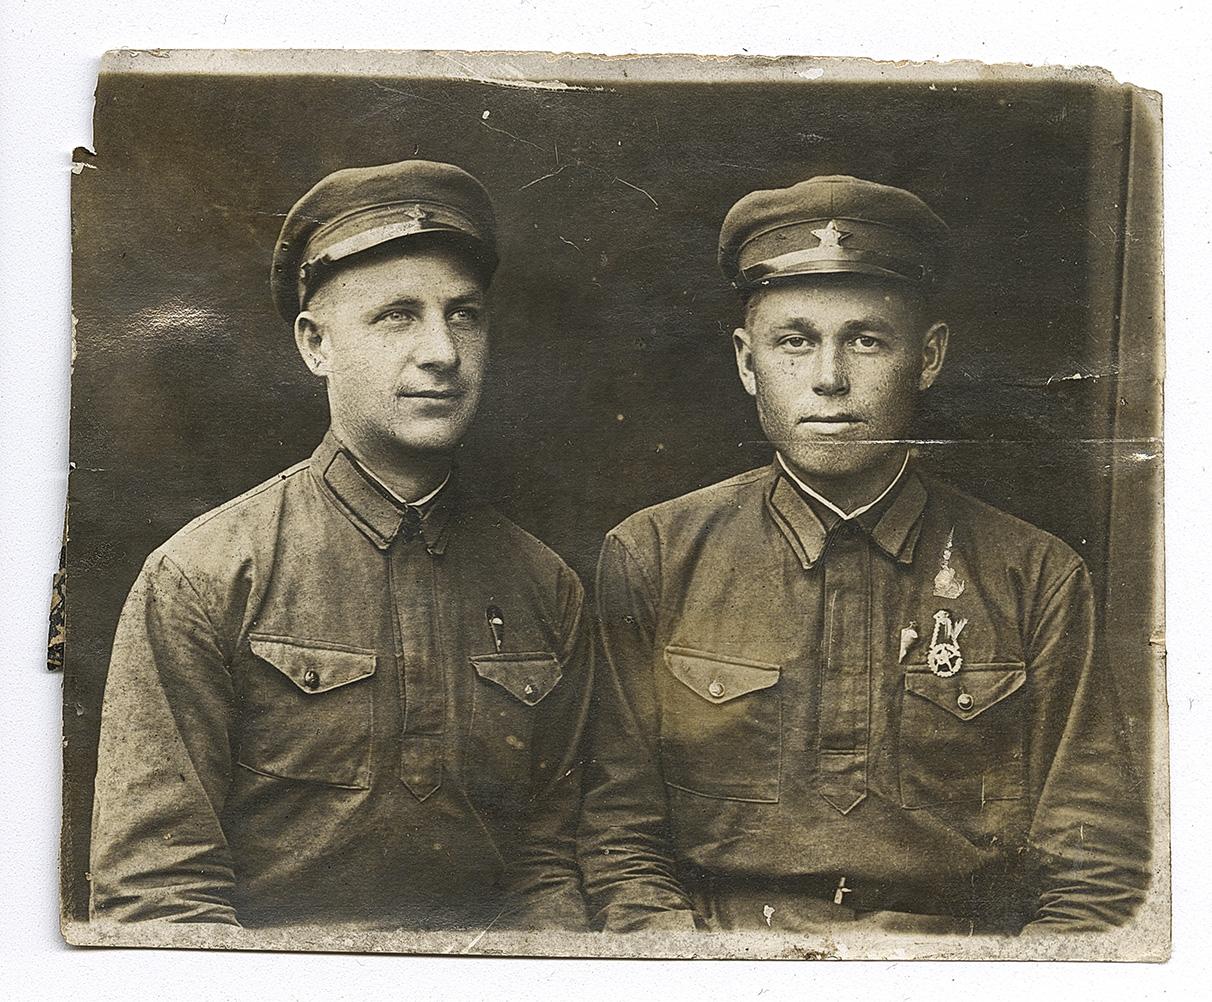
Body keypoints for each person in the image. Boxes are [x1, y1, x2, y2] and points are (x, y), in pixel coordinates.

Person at [578, 174, 1150, 936]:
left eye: (866, 340)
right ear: (747, 362)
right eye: (795, 341)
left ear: (929, 356)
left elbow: (1095, 875)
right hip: (722, 965)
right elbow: (620, 847)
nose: (829, 379)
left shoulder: (1035, 576)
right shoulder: (655, 556)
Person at [89, 160, 591, 932]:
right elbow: (157, 894)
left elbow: (549, 871)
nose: (443, 352)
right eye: (397, 316)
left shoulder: (544, 586)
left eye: (464, 315)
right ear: (315, 344)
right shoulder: (204, 575)